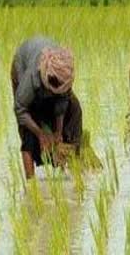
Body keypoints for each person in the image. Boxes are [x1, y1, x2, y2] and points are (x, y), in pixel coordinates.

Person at [11, 36, 82, 179]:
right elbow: (20, 109)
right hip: (23, 66)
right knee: (29, 131)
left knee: (74, 109)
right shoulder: (32, 78)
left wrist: (58, 132)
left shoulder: (64, 73)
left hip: (56, 79)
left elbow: (62, 103)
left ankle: (72, 167)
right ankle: (31, 184)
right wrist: (40, 134)